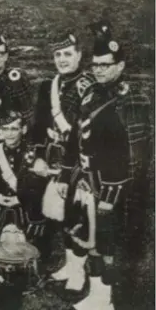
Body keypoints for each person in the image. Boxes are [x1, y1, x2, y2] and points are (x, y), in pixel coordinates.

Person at [59, 22, 145, 310]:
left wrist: (110, 197)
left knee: (105, 243)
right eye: (95, 65)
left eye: (105, 65)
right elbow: (75, 135)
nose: (98, 70)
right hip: (84, 180)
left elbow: (134, 156)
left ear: (120, 66)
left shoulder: (131, 99)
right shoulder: (91, 91)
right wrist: (64, 173)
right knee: (79, 230)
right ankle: (82, 281)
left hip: (112, 186)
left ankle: (103, 298)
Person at [27, 32, 95, 265]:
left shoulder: (88, 86)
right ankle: (38, 252)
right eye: (58, 55)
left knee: (73, 212)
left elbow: (83, 132)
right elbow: (38, 126)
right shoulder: (49, 86)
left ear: (79, 55)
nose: (62, 59)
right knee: (28, 189)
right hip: (49, 157)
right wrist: (38, 157)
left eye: (67, 54)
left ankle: (77, 266)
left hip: (76, 160)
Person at [0, 111, 30, 239]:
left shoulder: (32, 152)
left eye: (14, 129)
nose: (9, 133)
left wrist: (20, 198)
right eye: (5, 129)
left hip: (23, 209)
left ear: (23, 129)